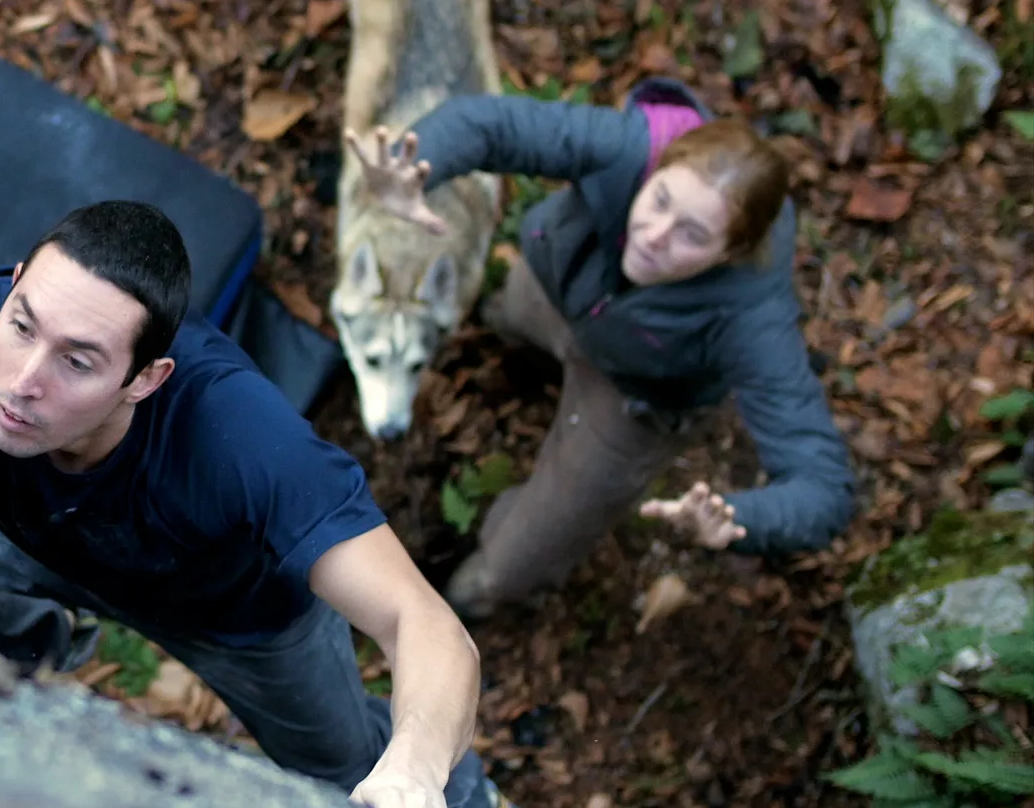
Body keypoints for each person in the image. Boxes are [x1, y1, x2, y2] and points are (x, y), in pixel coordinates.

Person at [0, 200, 567, 808]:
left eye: (78, 362)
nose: (21, 381)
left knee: (357, 768)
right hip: (23, 526)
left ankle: (470, 806)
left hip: (234, 614)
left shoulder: (242, 435)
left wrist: (417, 773)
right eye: (23, 327)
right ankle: (27, 628)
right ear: (10, 290)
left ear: (146, 380)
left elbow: (423, 622)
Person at [347, 77, 859, 620]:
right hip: (559, 291)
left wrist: (737, 517)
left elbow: (824, 489)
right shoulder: (628, 145)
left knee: (505, 570)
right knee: (506, 313)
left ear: (730, 251)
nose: (654, 235)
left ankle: (470, 600)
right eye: (659, 200)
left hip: (635, 390)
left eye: (692, 235)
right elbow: (490, 125)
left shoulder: (751, 317)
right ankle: (515, 341)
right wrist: (418, 161)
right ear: (656, 168)